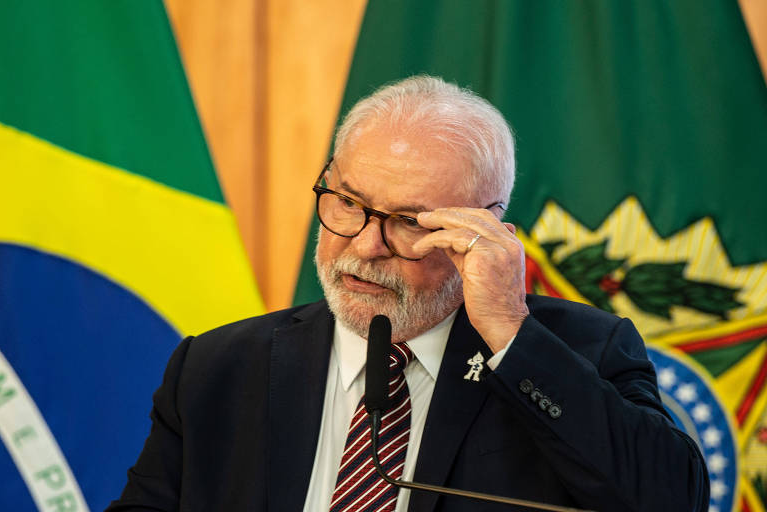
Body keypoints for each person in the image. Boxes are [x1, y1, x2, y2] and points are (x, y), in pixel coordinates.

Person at [107, 76, 709, 512]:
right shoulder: (217, 368)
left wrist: (508, 330)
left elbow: (671, 499)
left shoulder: (581, 352)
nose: (365, 246)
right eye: (348, 203)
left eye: (411, 222)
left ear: (486, 235)